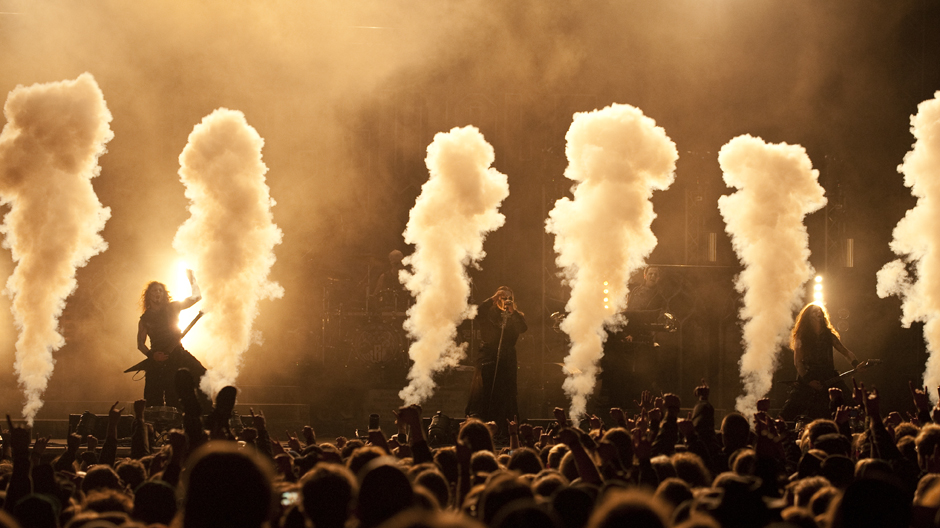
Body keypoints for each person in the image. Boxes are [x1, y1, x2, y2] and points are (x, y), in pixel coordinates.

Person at [137, 270, 207, 409]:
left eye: (160, 291)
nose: (157, 293)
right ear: (149, 295)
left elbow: (196, 297)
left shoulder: (173, 307)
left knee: (203, 375)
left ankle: (198, 411)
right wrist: (152, 355)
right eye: (154, 291)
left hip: (178, 353)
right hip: (158, 358)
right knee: (161, 398)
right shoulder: (145, 319)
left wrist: (192, 278)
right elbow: (140, 344)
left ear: (164, 294)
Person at [780, 302, 863, 421]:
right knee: (790, 409)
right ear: (808, 317)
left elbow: (846, 352)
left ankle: (853, 423)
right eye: (814, 311)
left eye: (820, 311)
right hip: (809, 376)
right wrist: (809, 381)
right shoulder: (801, 336)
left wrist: (856, 364)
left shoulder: (829, 336)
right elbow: (798, 362)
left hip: (829, 376)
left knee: (850, 403)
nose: (818, 313)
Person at [465, 286, 527, 439]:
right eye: (502, 297)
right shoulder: (489, 314)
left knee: (506, 392)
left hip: (507, 358)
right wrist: (493, 298)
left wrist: (512, 311)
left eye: (508, 298)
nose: (505, 300)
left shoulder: (516, 316)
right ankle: (482, 427)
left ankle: (505, 430)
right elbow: (477, 312)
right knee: (485, 390)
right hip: (488, 356)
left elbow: (523, 328)